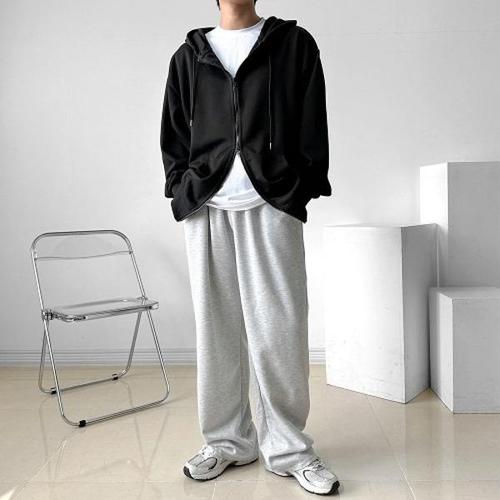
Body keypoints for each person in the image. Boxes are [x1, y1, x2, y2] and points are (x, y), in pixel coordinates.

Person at [160, 0, 339, 495]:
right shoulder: (189, 56)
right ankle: (227, 442)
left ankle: (289, 448)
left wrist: (299, 186)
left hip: (272, 201)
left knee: (280, 327)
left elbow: (312, 120)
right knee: (216, 331)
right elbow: (173, 132)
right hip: (206, 206)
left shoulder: (293, 45)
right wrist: (181, 187)